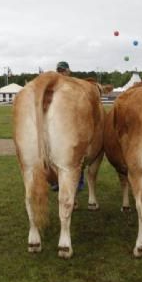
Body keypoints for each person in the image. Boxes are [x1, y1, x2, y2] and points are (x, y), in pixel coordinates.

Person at [51, 61, 85, 192]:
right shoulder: (54, 85)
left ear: (68, 71)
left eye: (63, 71)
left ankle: (78, 183)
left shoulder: (74, 85)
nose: (61, 73)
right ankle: (58, 181)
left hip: (73, 125)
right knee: (56, 156)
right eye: (59, 71)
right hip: (58, 125)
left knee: (76, 155)